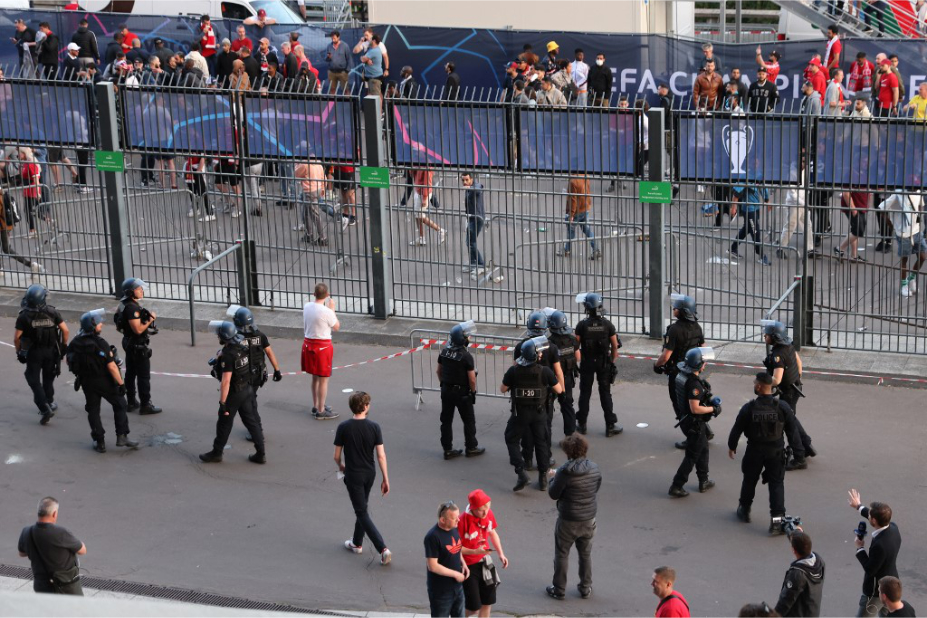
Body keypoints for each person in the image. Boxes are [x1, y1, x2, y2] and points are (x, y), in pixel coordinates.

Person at [728, 373, 805, 534]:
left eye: (755, 382)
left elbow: (737, 429)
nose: (754, 385)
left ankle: (744, 510)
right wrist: (799, 454)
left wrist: (732, 446)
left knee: (749, 480)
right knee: (776, 484)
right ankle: (776, 523)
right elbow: (793, 432)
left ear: (759, 387)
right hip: (776, 452)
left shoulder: (749, 408)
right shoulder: (782, 407)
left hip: (754, 450)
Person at [66, 309, 138, 453]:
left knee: (93, 410)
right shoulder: (100, 343)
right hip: (104, 380)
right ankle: (122, 436)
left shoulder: (75, 342)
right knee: (120, 404)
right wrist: (121, 384)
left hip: (86, 382)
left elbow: (70, 361)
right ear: (92, 326)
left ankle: (99, 442)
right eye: (99, 323)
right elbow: (111, 366)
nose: (101, 325)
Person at [198, 321, 265, 464]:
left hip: (235, 393)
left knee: (224, 423)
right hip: (247, 389)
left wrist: (223, 403)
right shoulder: (242, 348)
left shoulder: (228, 355)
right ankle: (261, 453)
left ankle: (217, 453)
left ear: (224, 338)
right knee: (252, 422)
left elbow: (226, 381)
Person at [500, 338, 563, 491]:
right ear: (535, 356)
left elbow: (503, 389)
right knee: (541, 442)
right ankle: (543, 478)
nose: (541, 355)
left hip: (520, 413)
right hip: (539, 413)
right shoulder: (544, 371)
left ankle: (521, 472)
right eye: (539, 353)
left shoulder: (513, 371)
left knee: (511, 439)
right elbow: (559, 390)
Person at [336, 392, 391, 565]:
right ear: (366, 407)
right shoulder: (374, 427)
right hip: (370, 473)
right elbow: (381, 455)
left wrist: (341, 466)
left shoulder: (344, 427)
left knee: (361, 511)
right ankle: (357, 543)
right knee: (363, 507)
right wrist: (385, 478)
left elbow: (336, 456)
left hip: (353, 474)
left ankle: (382, 548)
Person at [546, 434, 601, 601]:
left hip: (568, 519)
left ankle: (559, 588)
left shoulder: (564, 472)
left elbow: (554, 494)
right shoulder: (594, 467)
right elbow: (596, 486)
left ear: (568, 452)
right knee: (585, 554)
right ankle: (585, 587)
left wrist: (553, 478)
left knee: (562, 553)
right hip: (588, 518)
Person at [653, 294, 706, 449]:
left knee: (680, 406)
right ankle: (705, 431)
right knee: (695, 402)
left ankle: (691, 437)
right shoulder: (697, 326)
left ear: (682, 311)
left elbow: (666, 355)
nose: (673, 309)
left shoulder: (674, 329)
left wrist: (656, 365)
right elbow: (704, 348)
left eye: (676, 308)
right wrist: (702, 365)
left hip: (678, 373)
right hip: (694, 371)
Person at [762, 320, 815, 470]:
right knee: (791, 418)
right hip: (795, 388)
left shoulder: (778, 355)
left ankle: (799, 457)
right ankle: (806, 444)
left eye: (766, 335)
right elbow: (799, 362)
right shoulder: (788, 346)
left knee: (788, 424)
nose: (764, 337)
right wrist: (796, 377)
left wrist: (764, 383)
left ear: (774, 337)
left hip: (788, 392)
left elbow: (777, 379)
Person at [668, 347, 719, 498]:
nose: (705, 365)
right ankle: (677, 485)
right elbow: (695, 408)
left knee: (703, 449)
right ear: (698, 365)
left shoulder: (682, 376)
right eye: (703, 362)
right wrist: (712, 409)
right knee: (692, 455)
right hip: (694, 423)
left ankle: (704, 480)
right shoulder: (694, 384)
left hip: (687, 420)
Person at [14, 284, 68, 425]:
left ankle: (44, 407)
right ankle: (49, 402)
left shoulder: (24, 315)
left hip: (34, 353)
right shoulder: (52, 312)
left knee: (32, 378)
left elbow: (17, 337)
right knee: (48, 378)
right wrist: (63, 346)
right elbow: (65, 330)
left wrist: (18, 351)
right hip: (51, 351)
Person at [229, 306, 281, 440]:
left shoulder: (236, 338)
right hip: (258, 375)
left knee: (249, 404)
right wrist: (277, 370)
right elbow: (269, 352)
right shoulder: (260, 335)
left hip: (243, 376)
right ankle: (255, 429)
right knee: (251, 399)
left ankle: (256, 431)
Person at [847, 489, 901, 617]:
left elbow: (870, 569)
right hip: (891, 587)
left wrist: (860, 549)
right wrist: (859, 506)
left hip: (875, 593)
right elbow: (874, 516)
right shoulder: (893, 528)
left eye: (870, 516)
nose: (868, 516)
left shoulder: (880, 545)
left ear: (875, 521)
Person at [18, 497, 86, 595]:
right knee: (75, 610)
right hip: (65, 586)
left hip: (41, 585)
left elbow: (22, 553)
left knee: (47, 610)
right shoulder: (60, 533)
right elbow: (82, 550)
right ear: (54, 513)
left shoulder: (26, 531)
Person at [574, 293, 621, 436]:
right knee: (605, 393)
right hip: (603, 363)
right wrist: (612, 361)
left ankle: (582, 425)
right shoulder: (607, 324)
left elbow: (575, 346)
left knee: (585, 393)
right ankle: (610, 426)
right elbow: (614, 346)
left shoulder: (582, 325)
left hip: (587, 362)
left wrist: (579, 361)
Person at [437, 321, 484, 460]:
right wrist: (472, 392)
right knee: (469, 420)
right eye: (467, 337)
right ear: (462, 339)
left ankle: (447, 449)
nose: (469, 338)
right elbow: (472, 379)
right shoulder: (466, 356)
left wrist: (444, 384)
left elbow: (438, 371)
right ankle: (471, 447)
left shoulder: (444, 351)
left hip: (446, 390)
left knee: (446, 421)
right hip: (462, 392)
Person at [115, 278, 162, 415]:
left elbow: (119, 324)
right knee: (143, 376)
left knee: (130, 373)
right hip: (137, 345)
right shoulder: (132, 308)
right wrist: (151, 318)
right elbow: (138, 329)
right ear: (130, 292)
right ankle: (145, 404)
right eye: (138, 289)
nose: (141, 291)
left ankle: (131, 402)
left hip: (128, 342)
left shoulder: (123, 304)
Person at [458, 489, 507, 617]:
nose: (485, 512)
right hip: (467, 565)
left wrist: (501, 554)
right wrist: (475, 551)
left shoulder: (488, 513)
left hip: (485, 562)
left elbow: (492, 533)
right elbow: (456, 548)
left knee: (487, 602)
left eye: (487, 507)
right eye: (481, 509)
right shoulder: (461, 521)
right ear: (473, 508)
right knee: (473, 607)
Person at [302, 283, 340, 419]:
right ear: (327, 295)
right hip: (322, 347)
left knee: (315, 377)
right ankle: (321, 411)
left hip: (308, 344)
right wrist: (332, 309)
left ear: (314, 294)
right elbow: (336, 326)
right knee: (324, 379)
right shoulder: (327, 312)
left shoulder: (307, 306)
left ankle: (316, 405)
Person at [877, 192, 926, 297]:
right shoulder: (897, 194)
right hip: (903, 233)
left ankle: (911, 278)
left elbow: (921, 205)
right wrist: (891, 225)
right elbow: (881, 208)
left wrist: (917, 216)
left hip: (917, 231)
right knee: (904, 259)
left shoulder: (918, 191)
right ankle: (904, 285)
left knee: (923, 257)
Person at [426, 502, 467, 616]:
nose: (458, 520)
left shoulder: (454, 528)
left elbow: (456, 549)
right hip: (441, 592)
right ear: (443, 520)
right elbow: (433, 566)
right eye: (454, 518)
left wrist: (463, 564)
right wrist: (456, 574)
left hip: (457, 588)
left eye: (458, 516)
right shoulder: (432, 537)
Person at [774, 531, 825, 617]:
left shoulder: (797, 574)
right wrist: (798, 535)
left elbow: (785, 601)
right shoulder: (819, 562)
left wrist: (773, 615)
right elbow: (804, 543)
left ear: (793, 550)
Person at [547, 310, 577, 437]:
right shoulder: (572, 339)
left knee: (548, 406)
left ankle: (545, 436)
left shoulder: (548, 342)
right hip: (568, 377)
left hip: (552, 379)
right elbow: (578, 356)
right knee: (567, 405)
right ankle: (570, 435)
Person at [0, 185, 41, 277]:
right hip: (7, 226)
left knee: (7, 249)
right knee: (7, 249)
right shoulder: (4, 194)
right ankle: (31, 265)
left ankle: (30, 264)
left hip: (2, 227)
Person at [557, 174, 600, 259]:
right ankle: (596, 249)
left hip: (577, 211)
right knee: (587, 230)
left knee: (570, 231)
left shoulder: (573, 181)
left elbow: (573, 199)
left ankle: (567, 250)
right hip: (585, 208)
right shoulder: (585, 176)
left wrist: (571, 214)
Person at [729, 185, 772, 266]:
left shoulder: (758, 175)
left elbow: (763, 188)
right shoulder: (746, 176)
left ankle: (733, 248)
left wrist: (767, 201)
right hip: (749, 209)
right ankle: (761, 255)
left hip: (756, 207)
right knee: (756, 232)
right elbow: (737, 192)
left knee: (747, 229)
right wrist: (734, 207)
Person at [461, 172, 485, 275]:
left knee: (471, 242)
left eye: (467, 180)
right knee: (469, 241)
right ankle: (473, 262)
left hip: (477, 219)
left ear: (471, 179)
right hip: (471, 218)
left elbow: (479, 188)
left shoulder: (475, 186)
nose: (465, 182)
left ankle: (480, 264)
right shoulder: (469, 187)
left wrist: (469, 188)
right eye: (463, 180)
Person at [834, 190, 868, 263]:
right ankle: (840, 249)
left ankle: (854, 256)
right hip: (854, 206)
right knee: (858, 230)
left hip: (860, 205)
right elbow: (846, 193)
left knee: (856, 230)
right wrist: (853, 209)